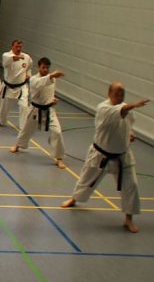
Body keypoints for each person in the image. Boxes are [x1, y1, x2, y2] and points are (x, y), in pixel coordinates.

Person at [61, 83, 149, 233]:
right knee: (86, 180)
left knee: (131, 186)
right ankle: (75, 199)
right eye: (117, 94)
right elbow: (118, 113)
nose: (120, 97)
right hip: (100, 154)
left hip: (122, 155)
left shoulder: (127, 109)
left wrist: (129, 135)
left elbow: (126, 125)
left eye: (122, 94)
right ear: (109, 93)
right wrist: (134, 104)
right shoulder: (104, 108)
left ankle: (129, 219)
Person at [11, 57, 66, 168]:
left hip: (49, 110)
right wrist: (51, 76)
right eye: (43, 67)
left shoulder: (52, 79)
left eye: (47, 68)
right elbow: (40, 84)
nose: (45, 70)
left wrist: (52, 99)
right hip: (35, 110)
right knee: (26, 129)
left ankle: (59, 158)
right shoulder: (34, 79)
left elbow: (49, 91)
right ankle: (18, 145)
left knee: (57, 132)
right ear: (38, 67)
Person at [0, 39, 32, 128]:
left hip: (22, 86)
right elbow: (12, 59)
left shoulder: (27, 57)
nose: (18, 48)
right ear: (12, 46)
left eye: (20, 47)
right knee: (4, 107)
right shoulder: (6, 55)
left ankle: (23, 127)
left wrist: (28, 74)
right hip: (8, 86)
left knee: (24, 106)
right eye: (16, 46)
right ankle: (1, 121)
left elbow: (29, 67)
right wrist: (18, 57)